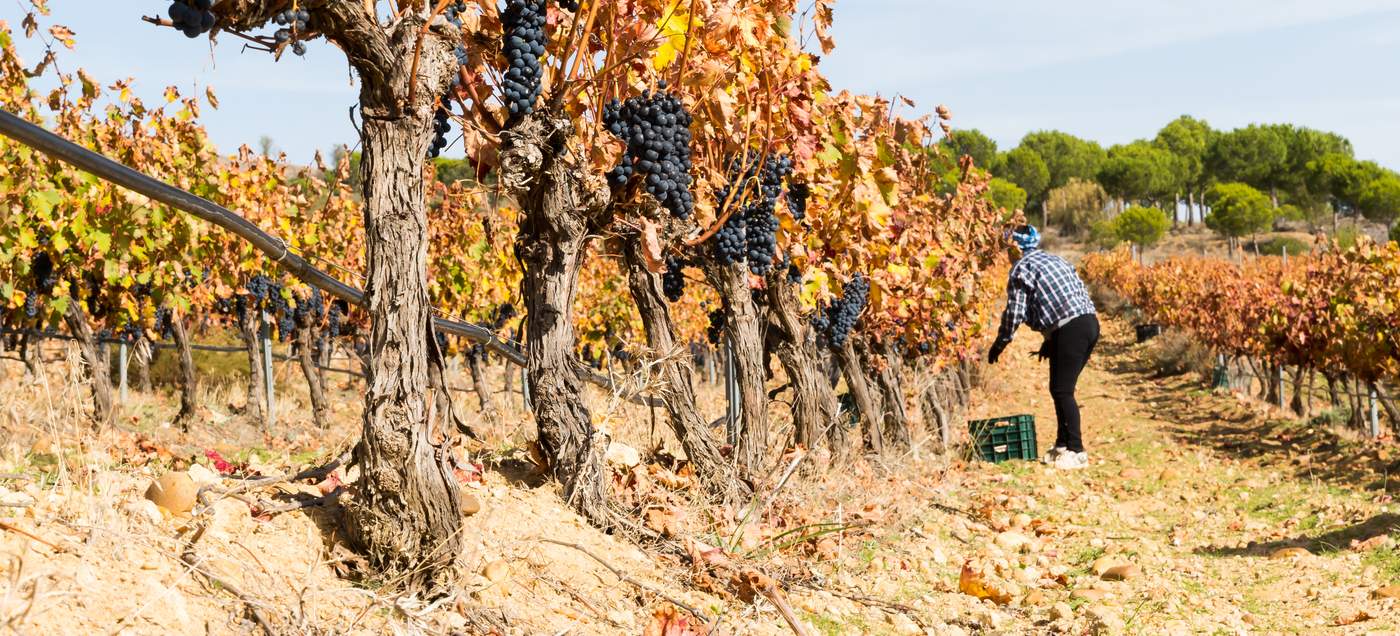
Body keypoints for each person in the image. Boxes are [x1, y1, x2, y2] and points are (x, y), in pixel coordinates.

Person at [987, 225, 1099, 469]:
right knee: (1059, 387)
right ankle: (1062, 445)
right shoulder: (1055, 259)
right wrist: (1051, 340)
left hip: (1070, 330)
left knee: (1062, 390)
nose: (1006, 254)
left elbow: (1014, 312)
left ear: (1015, 248)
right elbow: (1067, 297)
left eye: (1008, 249)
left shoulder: (1021, 268)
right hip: (1089, 323)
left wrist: (1000, 343)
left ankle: (1077, 452)